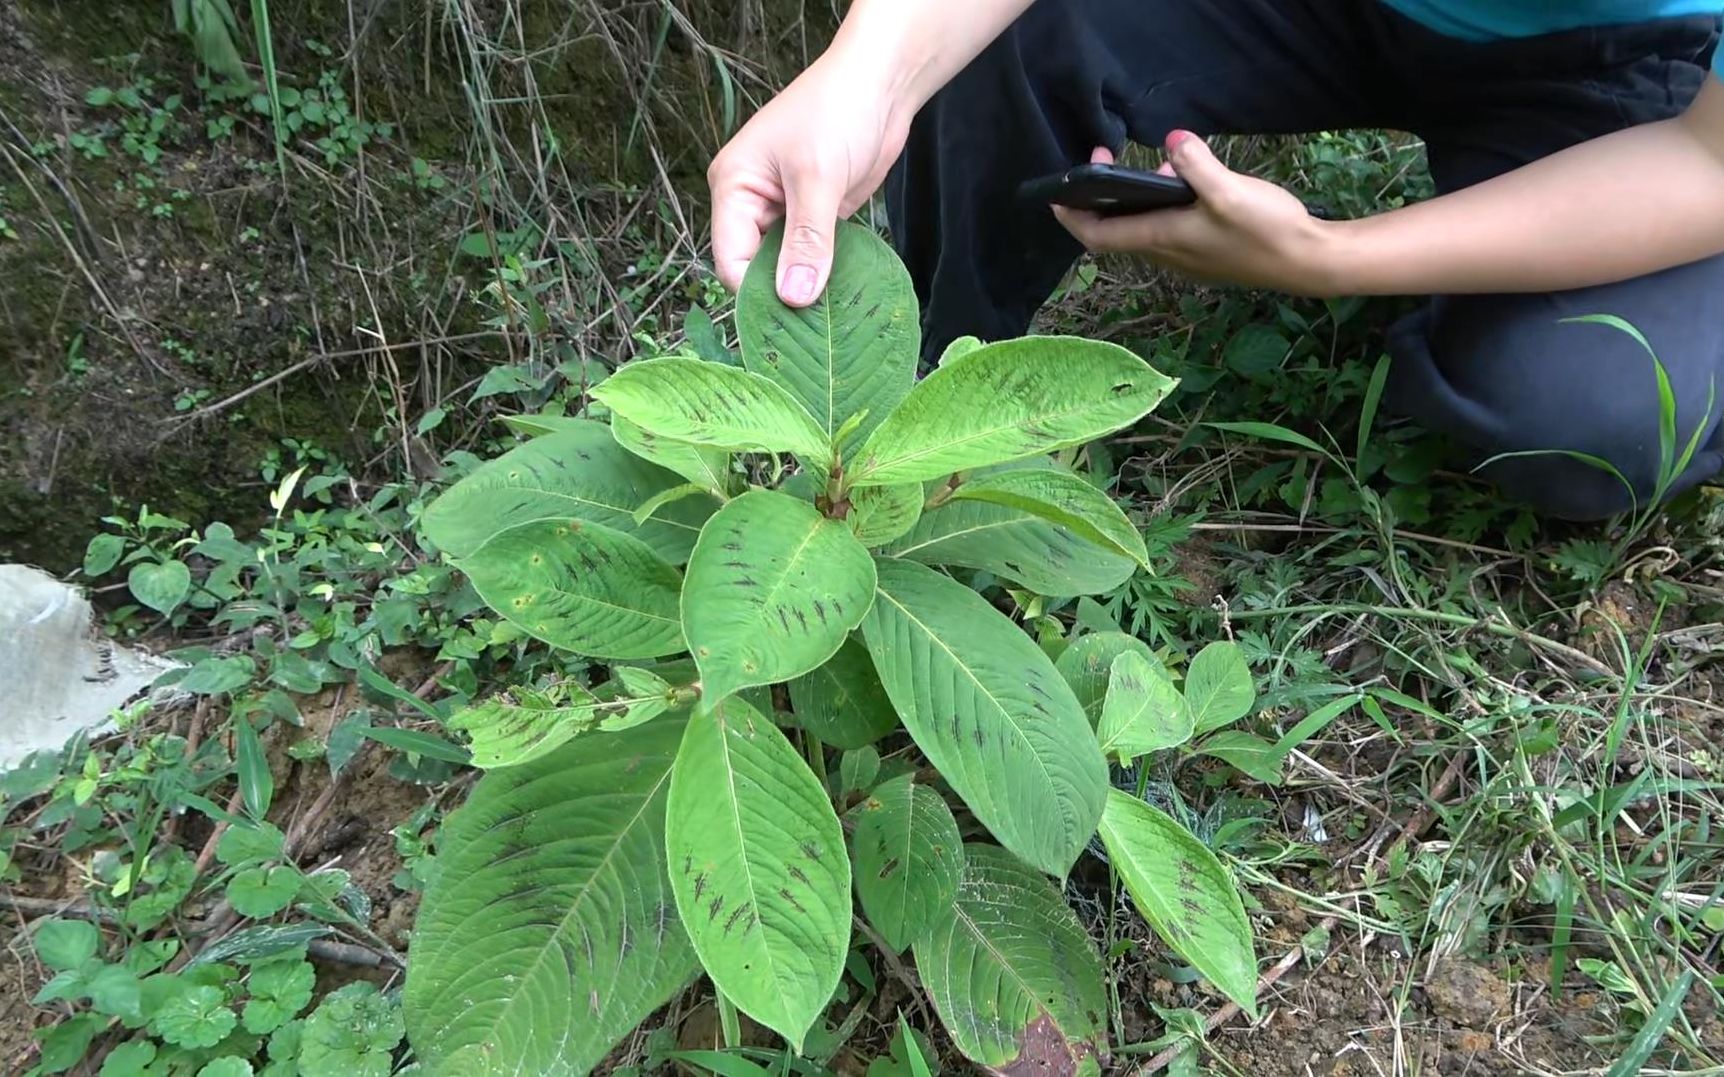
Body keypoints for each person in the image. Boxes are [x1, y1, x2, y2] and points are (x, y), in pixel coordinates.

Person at [704, 0, 1724, 520]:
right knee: (1010, 33)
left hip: (1637, 63)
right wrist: (865, 75)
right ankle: (908, 412)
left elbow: (1705, 162)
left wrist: (1335, 257)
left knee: (1596, 413)